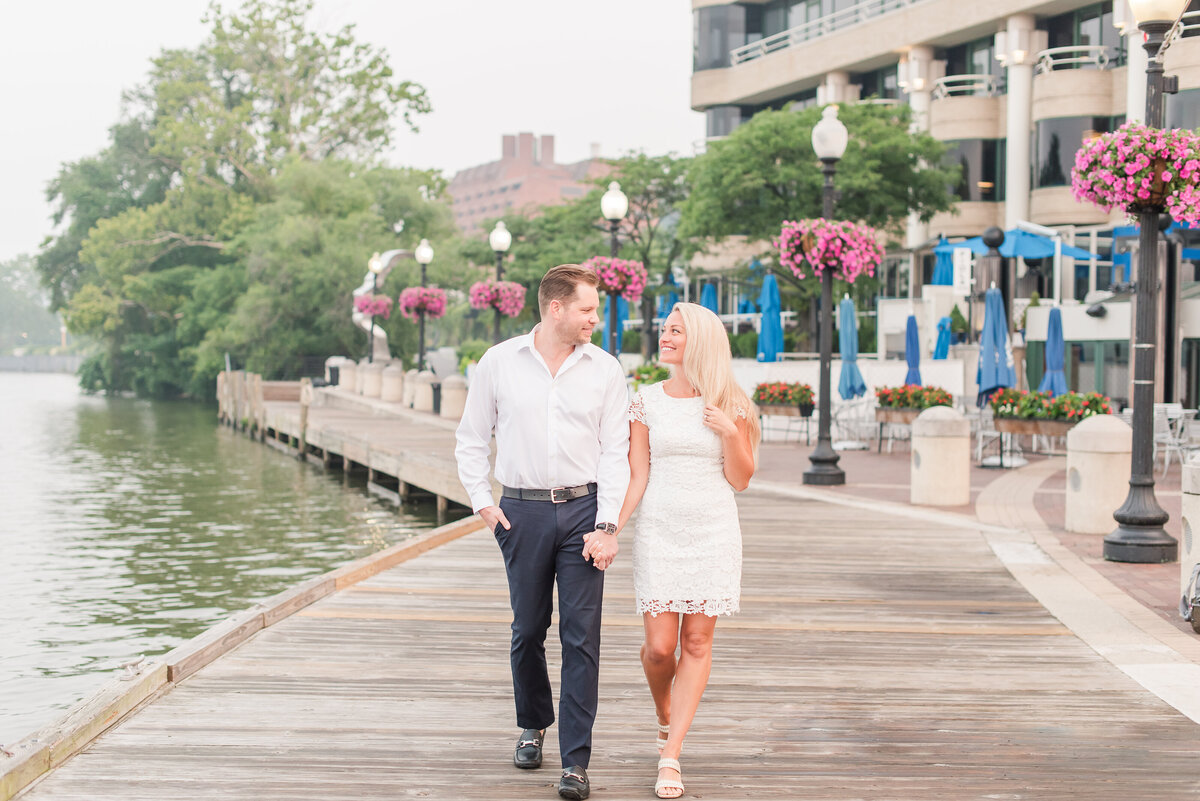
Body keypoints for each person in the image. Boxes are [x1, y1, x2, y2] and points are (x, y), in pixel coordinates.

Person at [455, 263, 631, 801]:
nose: (593, 320)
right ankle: (532, 724)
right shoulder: (499, 363)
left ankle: (576, 763)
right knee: (528, 629)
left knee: (582, 639)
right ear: (556, 308)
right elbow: (470, 439)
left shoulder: (605, 370)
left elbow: (615, 454)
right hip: (521, 513)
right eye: (586, 309)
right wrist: (485, 507)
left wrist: (607, 524)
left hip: (583, 513)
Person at [616, 302, 760, 799]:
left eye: (676, 330)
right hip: (660, 530)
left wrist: (728, 432)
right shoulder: (646, 401)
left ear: (698, 339)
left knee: (696, 644)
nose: (666, 336)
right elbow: (638, 476)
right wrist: (610, 527)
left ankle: (671, 754)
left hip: (714, 532)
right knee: (659, 648)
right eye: (664, 329)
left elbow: (740, 479)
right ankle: (666, 713)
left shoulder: (731, 403)